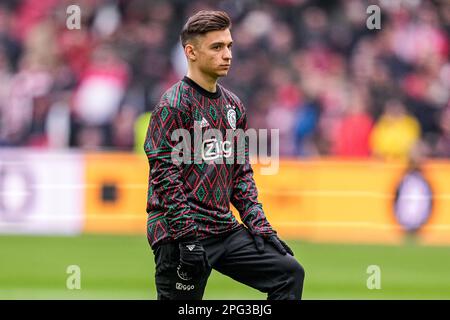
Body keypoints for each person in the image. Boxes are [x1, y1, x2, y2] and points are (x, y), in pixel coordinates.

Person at [144, 10, 305, 300]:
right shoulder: (173, 105)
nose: (227, 54)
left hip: (222, 228)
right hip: (179, 232)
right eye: (217, 47)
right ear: (190, 52)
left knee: (289, 273)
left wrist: (257, 222)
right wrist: (187, 238)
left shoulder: (234, 106)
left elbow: (241, 173)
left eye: (229, 46)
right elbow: (165, 177)